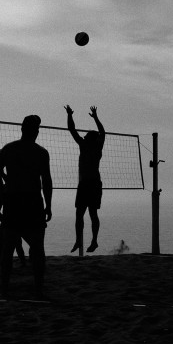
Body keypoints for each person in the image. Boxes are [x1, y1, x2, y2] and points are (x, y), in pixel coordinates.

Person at [0, 115, 53, 298]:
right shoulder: (41, 153)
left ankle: (4, 288)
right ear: (36, 131)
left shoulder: (9, 149)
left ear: (22, 129)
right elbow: (47, 181)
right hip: (33, 201)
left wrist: (4, 190)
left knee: (8, 248)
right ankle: (38, 289)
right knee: (37, 248)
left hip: (14, 201)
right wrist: (48, 205)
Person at [65, 105, 106, 253]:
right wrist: (94, 117)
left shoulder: (88, 145)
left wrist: (70, 115)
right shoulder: (94, 146)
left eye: (86, 136)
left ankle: (91, 241)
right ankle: (81, 240)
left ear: (90, 139)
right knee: (85, 214)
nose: (84, 137)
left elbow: (73, 130)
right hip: (91, 183)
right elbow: (73, 130)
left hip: (89, 184)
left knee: (88, 214)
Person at [0, 188, 27, 282]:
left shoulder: (4, 189)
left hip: (8, 223)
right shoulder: (25, 187)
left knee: (2, 250)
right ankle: (24, 264)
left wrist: (6, 222)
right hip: (20, 223)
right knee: (19, 246)